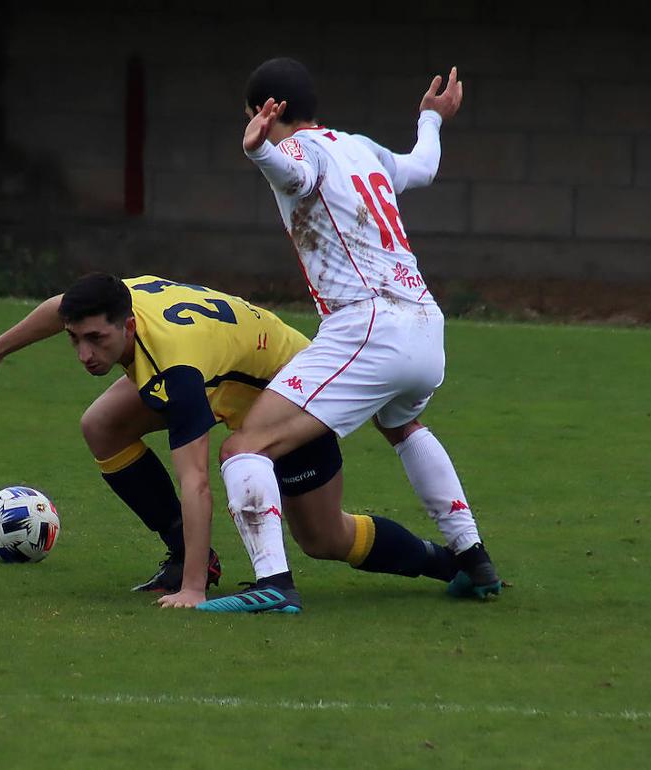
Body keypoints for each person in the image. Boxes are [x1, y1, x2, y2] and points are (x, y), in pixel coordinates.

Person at [0, 274, 463, 613]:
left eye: (97, 341)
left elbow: (195, 480)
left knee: (324, 539)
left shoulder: (177, 368)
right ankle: (186, 554)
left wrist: (193, 592)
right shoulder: (118, 302)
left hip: (296, 393)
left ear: (126, 325)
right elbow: (58, 307)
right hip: (223, 370)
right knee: (102, 424)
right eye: (76, 340)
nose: (85, 354)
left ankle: (445, 563)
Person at [208, 58, 502, 613]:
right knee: (402, 425)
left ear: (268, 112)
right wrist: (432, 119)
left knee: (243, 446)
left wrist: (258, 152)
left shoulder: (298, 151)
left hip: (370, 323)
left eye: (252, 115)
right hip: (425, 322)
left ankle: (273, 584)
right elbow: (423, 167)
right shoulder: (361, 148)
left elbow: (293, 175)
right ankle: (473, 557)